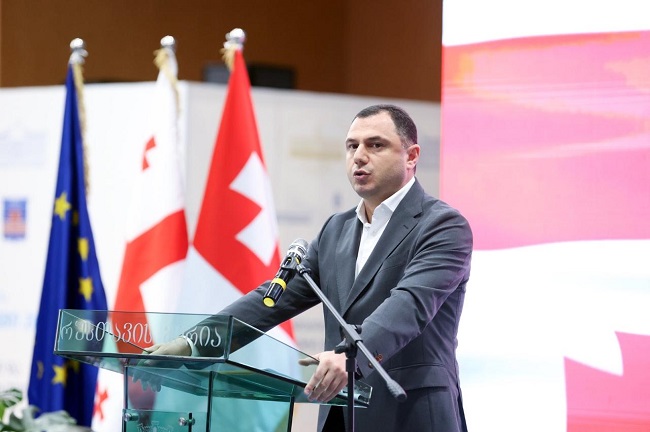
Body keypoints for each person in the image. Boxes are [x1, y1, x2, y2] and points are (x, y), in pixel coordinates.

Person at [145, 104, 473, 431]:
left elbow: (409, 305)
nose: (359, 156)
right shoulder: (336, 230)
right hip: (340, 414)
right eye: (352, 146)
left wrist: (351, 356)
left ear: (411, 156)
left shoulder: (442, 226)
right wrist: (193, 343)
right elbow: (271, 300)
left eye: (375, 145)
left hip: (411, 415)